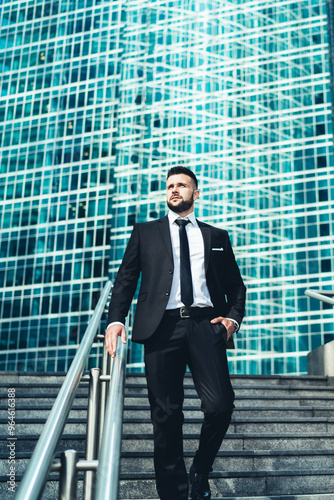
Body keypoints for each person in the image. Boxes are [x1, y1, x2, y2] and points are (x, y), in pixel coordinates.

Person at [105, 166, 246, 500]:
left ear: (196, 193)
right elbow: (126, 279)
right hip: (160, 327)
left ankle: (200, 470)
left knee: (220, 406)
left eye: (182, 185)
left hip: (205, 326)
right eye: (170, 186)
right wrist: (115, 319)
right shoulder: (146, 232)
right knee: (165, 415)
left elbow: (236, 287)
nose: (174, 190)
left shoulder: (216, 236)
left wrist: (232, 319)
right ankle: (174, 494)